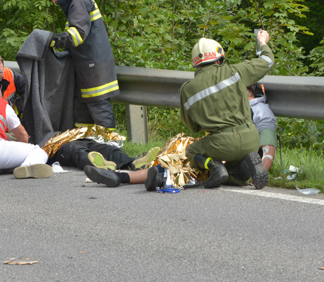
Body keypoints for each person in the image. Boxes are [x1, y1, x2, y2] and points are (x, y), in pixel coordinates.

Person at [179, 30, 274, 188]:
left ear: (196, 63)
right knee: (233, 174)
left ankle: (214, 166)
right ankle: (247, 163)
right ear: (219, 58)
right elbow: (267, 61)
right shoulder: (235, 72)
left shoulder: (187, 90)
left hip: (221, 145)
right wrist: (263, 41)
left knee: (191, 151)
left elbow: (194, 127)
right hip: (251, 139)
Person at [46, 0, 119, 130]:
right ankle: (86, 150)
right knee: (83, 114)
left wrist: (54, 40)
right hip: (87, 68)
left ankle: (110, 150)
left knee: (100, 111)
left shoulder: (78, 1)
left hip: (93, 68)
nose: (54, 2)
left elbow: (77, 34)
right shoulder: (78, 0)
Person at [51, 140, 160, 172]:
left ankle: (133, 162)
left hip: (79, 136)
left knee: (108, 149)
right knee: (77, 151)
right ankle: (100, 165)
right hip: (56, 143)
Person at [248, 84, 277, 172]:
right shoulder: (229, 108)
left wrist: (260, 174)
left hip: (244, 162)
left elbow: (268, 149)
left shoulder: (261, 112)